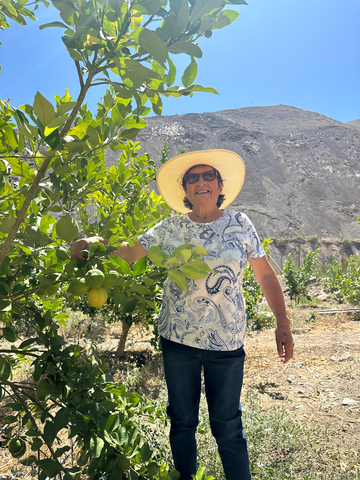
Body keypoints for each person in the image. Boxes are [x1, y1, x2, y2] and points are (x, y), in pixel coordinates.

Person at [71, 149, 294, 480]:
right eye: (193, 178)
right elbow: (131, 253)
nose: (201, 182)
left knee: (228, 425)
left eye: (208, 176)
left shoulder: (240, 224)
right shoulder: (169, 228)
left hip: (227, 342)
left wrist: (283, 322)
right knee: (182, 422)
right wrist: (94, 245)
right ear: (186, 190)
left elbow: (264, 275)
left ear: (220, 186)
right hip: (178, 339)